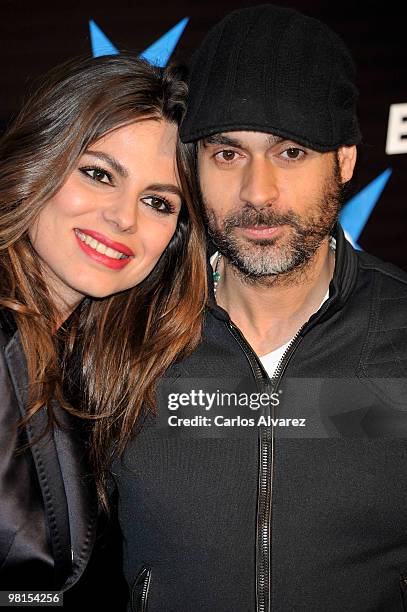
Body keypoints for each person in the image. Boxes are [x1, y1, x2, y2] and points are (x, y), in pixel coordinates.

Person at [103, 5, 407, 612]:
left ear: (344, 161)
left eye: (291, 152)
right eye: (227, 154)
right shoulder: (122, 331)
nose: (257, 193)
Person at [0, 52, 206, 596]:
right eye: (98, 174)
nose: (124, 218)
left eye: (159, 203)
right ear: (39, 159)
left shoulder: (86, 368)